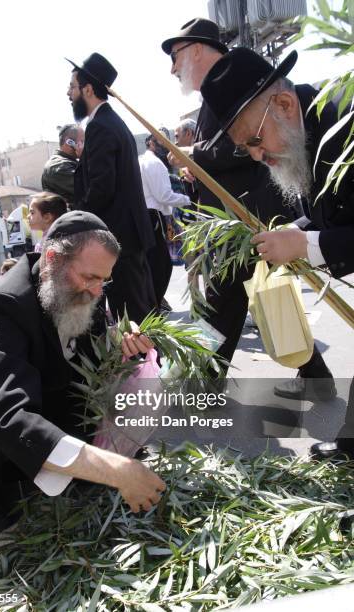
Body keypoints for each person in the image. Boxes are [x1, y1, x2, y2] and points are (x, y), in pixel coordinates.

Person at [0, 210, 165, 554]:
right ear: (51, 260)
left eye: (103, 281)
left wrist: (121, 344)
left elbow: (85, 359)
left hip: (42, 393)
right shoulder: (2, 304)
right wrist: (116, 471)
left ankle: (70, 471)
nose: (96, 292)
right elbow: (6, 413)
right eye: (90, 277)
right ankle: (10, 507)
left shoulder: (87, 290)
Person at [161, 18, 334, 396]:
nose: (173, 69)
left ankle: (204, 384)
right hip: (236, 225)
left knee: (223, 305)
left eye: (175, 57)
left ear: (196, 50)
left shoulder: (253, 90)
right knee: (250, 304)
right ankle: (315, 377)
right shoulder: (214, 101)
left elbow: (240, 150)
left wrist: (196, 156)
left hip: (248, 221)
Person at [199, 47, 354, 452]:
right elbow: (332, 215)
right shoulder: (304, 131)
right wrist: (296, 230)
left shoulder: (346, 126)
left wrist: (307, 244)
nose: (258, 156)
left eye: (255, 140)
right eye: (245, 149)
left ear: (284, 104)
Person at [67, 52, 157, 323]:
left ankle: (147, 366)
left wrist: (76, 220)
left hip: (120, 241)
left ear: (88, 89)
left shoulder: (101, 127)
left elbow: (101, 189)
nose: (68, 93)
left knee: (132, 321)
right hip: (126, 239)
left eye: (72, 87)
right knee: (136, 316)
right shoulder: (108, 123)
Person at [139, 134, 191, 309]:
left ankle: (151, 305)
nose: (167, 146)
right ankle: (152, 307)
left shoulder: (143, 161)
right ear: (151, 143)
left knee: (153, 265)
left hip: (146, 216)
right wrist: (188, 199)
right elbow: (164, 196)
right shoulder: (154, 163)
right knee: (162, 266)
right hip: (154, 216)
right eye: (162, 141)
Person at [41, 124, 84, 207]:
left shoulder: (69, 162)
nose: (85, 145)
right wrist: (85, 157)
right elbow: (89, 187)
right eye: (82, 141)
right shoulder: (59, 166)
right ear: (69, 142)